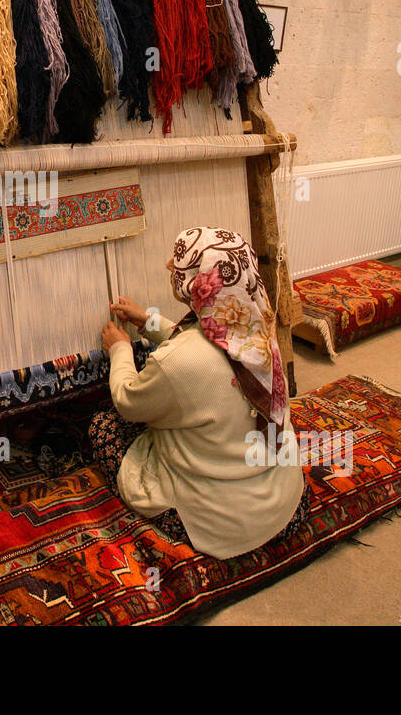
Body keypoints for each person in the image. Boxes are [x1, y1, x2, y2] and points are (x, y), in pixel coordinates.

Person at [89, 226, 310, 558]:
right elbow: (205, 342)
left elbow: (128, 402)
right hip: (285, 506)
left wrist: (120, 350)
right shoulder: (256, 319)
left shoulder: (174, 364)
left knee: (104, 427)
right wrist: (147, 321)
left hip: (221, 524)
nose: (169, 266)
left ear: (197, 285)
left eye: (178, 267)